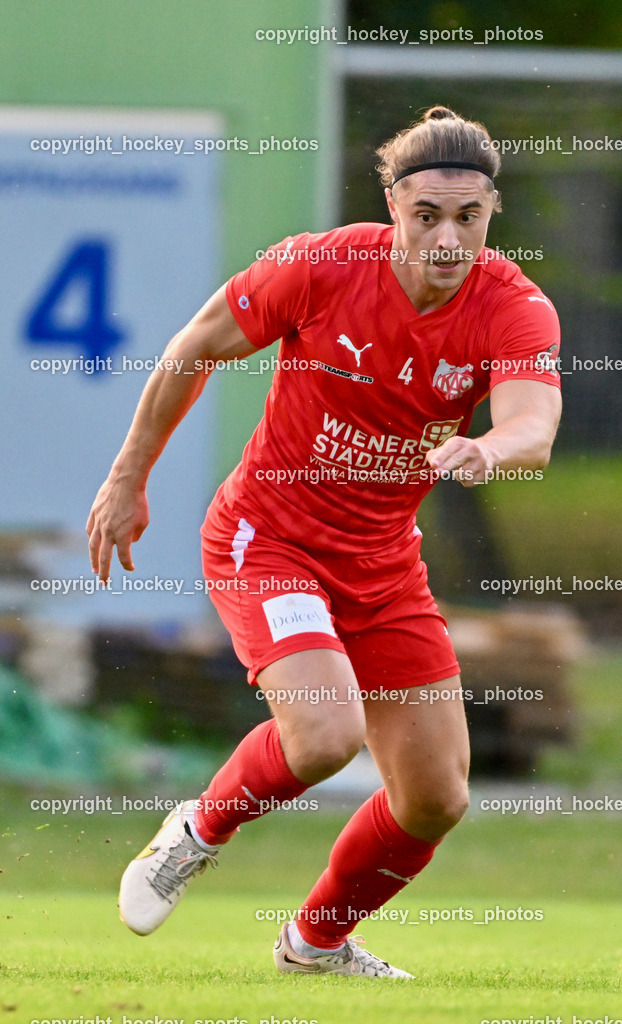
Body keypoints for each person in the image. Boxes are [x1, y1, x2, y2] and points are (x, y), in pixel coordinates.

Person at [87, 105, 562, 978]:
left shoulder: (513, 305)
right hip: (269, 540)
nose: (446, 237)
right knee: (322, 735)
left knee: (433, 798)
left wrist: (487, 446)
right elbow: (194, 348)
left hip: (381, 566)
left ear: (491, 211)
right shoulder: (320, 266)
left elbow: (531, 424)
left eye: (468, 216)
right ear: (392, 204)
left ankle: (315, 942)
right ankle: (196, 829)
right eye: (426, 215)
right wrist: (127, 478)